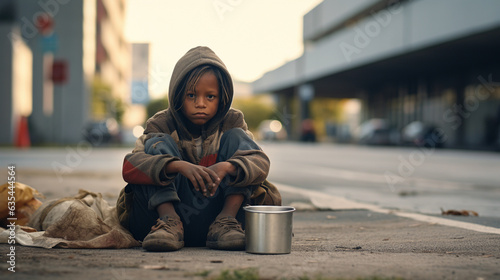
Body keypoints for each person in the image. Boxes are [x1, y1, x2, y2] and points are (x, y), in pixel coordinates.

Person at [116, 46, 281, 252]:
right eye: (191, 95)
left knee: (240, 145)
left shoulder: (232, 121)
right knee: (157, 144)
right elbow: (130, 167)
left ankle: (226, 220)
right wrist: (177, 166)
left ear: (222, 98)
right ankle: (170, 220)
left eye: (210, 97)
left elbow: (260, 162)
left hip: (222, 220)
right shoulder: (161, 124)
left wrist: (227, 167)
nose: (200, 104)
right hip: (157, 223)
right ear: (177, 96)